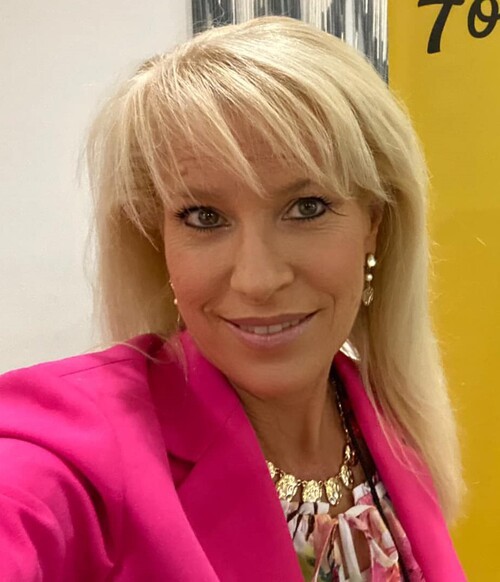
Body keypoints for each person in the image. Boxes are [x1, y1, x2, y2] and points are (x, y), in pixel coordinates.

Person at [0, 15, 466, 582]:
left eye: (307, 207)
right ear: (158, 238)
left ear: (374, 221)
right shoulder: (77, 447)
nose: (257, 279)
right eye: (204, 216)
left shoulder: (388, 417)